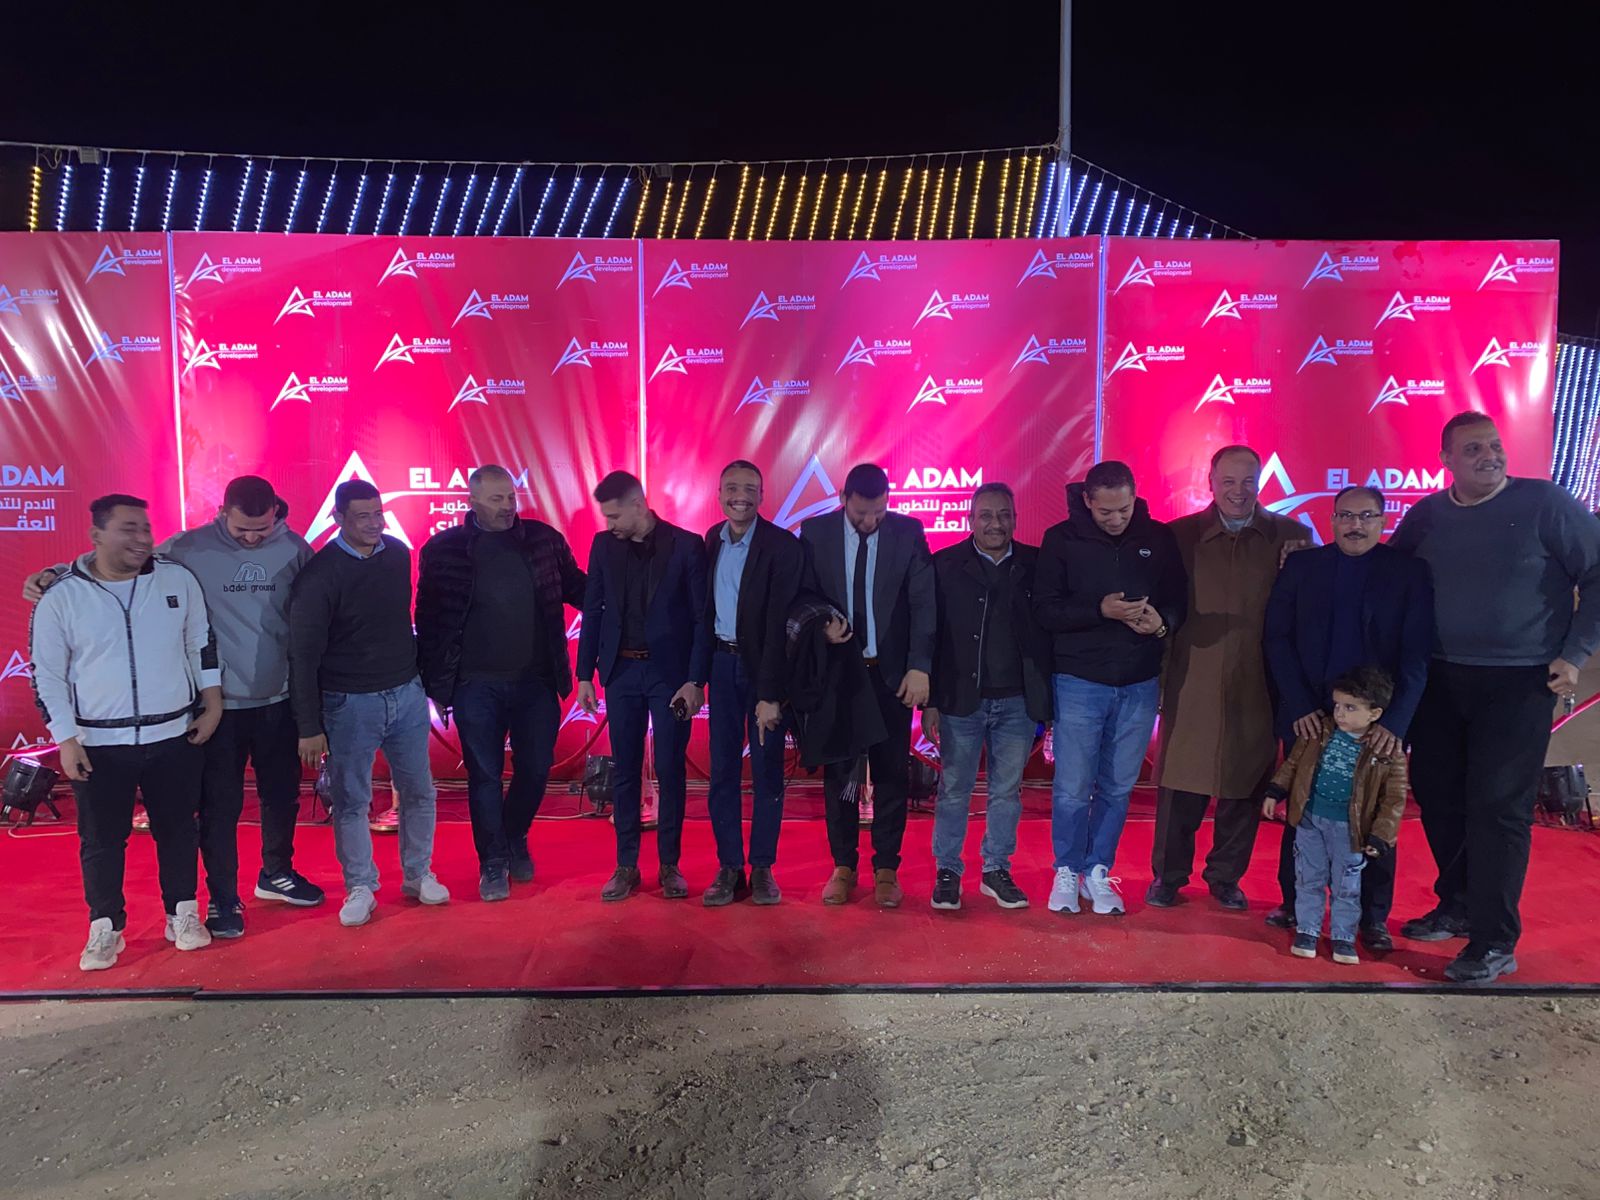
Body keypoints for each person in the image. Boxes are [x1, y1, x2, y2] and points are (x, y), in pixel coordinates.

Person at [23, 475, 326, 938]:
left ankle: (276, 873)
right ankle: (223, 898)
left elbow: (315, 606)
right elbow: (120, 561)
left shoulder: (294, 547)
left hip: (278, 698)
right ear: (222, 513)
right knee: (219, 807)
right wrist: (56, 573)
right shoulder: (186, 548)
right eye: (242, 529)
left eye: (262, 529)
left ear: (276, 516)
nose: (252, 538)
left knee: (282, 796)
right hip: (218, 708)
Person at [1390, 412, 1600, 982]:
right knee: (1439, 797)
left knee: (1497, 808)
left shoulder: (1546, 504)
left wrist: (1575, 653)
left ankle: (1493, 940)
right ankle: (1458, 904)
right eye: (1473, 449)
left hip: (1521, 681)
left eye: (1494, 445)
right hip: (1439, 679)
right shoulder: (1426, 516)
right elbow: (1388, 577)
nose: (1490, 456)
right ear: (1446, 461)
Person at [29, 494, 222, 970]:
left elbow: (200, 641)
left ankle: (182, 913)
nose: (142, 538)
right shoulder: (61, 596)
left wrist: (213, 702)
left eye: (146, 528)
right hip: (97, 744)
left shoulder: (177, 579)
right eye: (129, 529)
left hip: (173, 734)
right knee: (101, 840)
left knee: (178, 830)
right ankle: (105, 927)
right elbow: (47, 675)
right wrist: (66, 738)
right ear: (96, 535)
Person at [1262, 484, 1433, 950]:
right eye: (1346, 516)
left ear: (1383, 521)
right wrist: (1299, 705)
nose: (1355, 525)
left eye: (1366, 516)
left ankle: (1372, 919)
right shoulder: (1302, 567)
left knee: (1372, 818)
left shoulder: (1409, 572)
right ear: (1333, 520)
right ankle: (1295, 905)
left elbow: (1417, 655)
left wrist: (1394, 723)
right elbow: (1276, 638)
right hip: (1311, 717)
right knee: (1304, 812)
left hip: (1377, 724)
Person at [1147, 444, 1311, 911]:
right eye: (1228, 482)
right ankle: (1168, 876)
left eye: (1248, 482)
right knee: (1181, 783)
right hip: (1190, 675)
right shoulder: (1178, 535)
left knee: (1245, 784)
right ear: (1211, 483)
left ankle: (1225, 877)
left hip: (1258, 679)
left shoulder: (1292, 537)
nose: (1238, 491)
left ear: (1260, 483)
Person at [415, 465, 587, 902]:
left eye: (511, 497)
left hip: (537, 682)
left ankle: (513, 835)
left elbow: (580, 590)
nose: (508, 506)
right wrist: (434, 683)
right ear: (472, 501)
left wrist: (625, 592)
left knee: (536, 769)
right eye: (496, 499)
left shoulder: (545, 540)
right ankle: (492, 861)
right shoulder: (442, 550)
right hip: (475, 687)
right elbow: (429, 621)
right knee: (485, 776)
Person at [288, 480, 448, 927]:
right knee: (352, 799)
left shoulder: (397, 554)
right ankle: (360, 886)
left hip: (407, 693)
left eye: (379, 513)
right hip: (348, 702)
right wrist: (308, 725)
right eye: (363, 516)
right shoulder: (319, 575)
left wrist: (427, 684)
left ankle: (418, 874)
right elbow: (303, 654)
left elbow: (405, 621)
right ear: (338, 518)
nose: (375, 523)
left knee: (419, 791)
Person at [1033, 461, 1186, 916]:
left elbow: (1179, 600)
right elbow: (1045, 611)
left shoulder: (1159, 538)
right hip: (1079, 680)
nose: (1116, 519)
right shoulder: (1061, 539)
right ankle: (1066, 869)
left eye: (1124, 509)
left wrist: (1162, 624)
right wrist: (1099, 610)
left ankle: (1098, 870)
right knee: (1072, 786)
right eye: (1105, 512)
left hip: (1140, 681)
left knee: (1119, 786)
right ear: (1087, 501)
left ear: (1135, 497)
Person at [799, 463, 935, 908]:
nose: (871, 521)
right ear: (843, 499)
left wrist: (919, 667)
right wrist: (821, 623)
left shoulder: (907, 532)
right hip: (839, 674)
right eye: (861, 513)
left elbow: (923, 603)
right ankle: (843, 865)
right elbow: (802, 593)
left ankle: (886, 869)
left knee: (892, 773)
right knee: (840, 773)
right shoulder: (815, 533)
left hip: (890, 676)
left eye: (879, 511)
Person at [575, 471, 710, 902]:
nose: (609, 523)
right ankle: (626, 865)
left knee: (670, 768)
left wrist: (695, 680)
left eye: (615, 515)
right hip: (620, 674)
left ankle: (670, 865)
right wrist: (584, 674)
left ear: (638, 505)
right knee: (625, 770)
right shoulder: (602, 546)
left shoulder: (686, 545)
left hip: (670, 676)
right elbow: (593, 610)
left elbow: (702, 619)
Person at [923, 482, 1051, 911]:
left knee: (1006, 792)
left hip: (1018, 702)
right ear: (970, 520)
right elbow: (930, 636)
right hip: (960, 699)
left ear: (1015, 518)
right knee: (954, 789)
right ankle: (947, 871)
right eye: (986, 515)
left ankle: (997, 870)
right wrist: (931, 701)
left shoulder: (1036, 564)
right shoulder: (944, 564)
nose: (996, 524)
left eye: (1004, 515)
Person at [701, 460, 806, 906]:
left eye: (748, 489)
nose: (739, 496)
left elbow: (781, 626)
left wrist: (769, 694)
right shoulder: (711, 540)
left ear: (762, 496)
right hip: (720, 668)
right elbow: (704, 614)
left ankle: (762, 867)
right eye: (731, 488)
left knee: (766, 773)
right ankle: (729, 867)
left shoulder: (782, 546)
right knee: (722, 772)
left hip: (764, 670)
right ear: (719, 494)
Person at [1262, 667, 1409, 966]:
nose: (1340, 713)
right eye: (1338, 705)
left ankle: (1343, 936)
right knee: (1308, 878)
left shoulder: (1387, 751)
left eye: (1351, 708)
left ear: (1375, 713)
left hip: (1350, 830)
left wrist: (1381, 835)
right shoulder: (1320, 733)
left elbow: (1394, 799)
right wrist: (1275, 791)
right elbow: (1293, 764)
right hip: (1310, 822)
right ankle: (1307, 930)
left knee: (1347, 885)